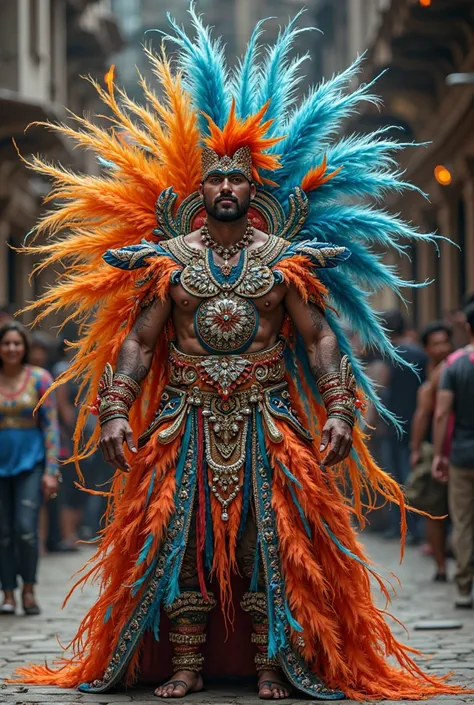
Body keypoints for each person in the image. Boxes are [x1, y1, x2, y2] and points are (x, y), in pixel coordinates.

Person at [14, 11, 466, 701]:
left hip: (269, 414)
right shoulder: (170, 263)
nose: (226, 187)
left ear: (255, 191)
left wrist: (341, 410)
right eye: (216, 178)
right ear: (200, 191)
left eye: (237, 179)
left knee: (271, 545)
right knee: (183, 542)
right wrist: (113, 411)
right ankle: (187, 665)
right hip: (183, 415)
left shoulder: (285, 264)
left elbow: (319, 339)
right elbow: (138, 341)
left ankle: (269, 663)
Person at [0, 322, 60, 615]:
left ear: (24, 347)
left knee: (25, 529)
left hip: (31, 465)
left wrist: (51, 470)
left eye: (16, 343)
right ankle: (8, 593)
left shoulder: (40, 379)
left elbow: (51, 427)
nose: (11, 349)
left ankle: (29, 590)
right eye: (6, 343)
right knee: (3, 532)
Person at [432, 304, 474, 608]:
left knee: (463, 522)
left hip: (462, 454)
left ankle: (463, 586)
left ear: (467, 328)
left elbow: (442, 412)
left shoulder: (454, 364)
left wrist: (438, 455)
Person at [408, 322, 453, 580]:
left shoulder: (454, 366)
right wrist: (416, 449)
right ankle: (440, 566)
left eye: (445, 342)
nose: (442, 348)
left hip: (454, 445)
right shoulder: (427, 372)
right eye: (436, 343)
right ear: (426, 348)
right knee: (434, 508)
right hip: (432, 446)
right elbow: (422, 413)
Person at [379, 310, 427, 541]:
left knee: (396, 479)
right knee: (415, 477)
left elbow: (380, 388)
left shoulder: (390, 354)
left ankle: (404, 527)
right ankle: (419, 529)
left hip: (394, 425)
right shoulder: (421, 353)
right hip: (418, 422)